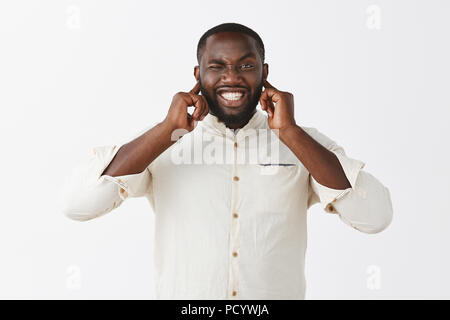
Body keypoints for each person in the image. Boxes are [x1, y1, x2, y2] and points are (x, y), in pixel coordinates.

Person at [61, 22, 393, 299]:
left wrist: (290, 133)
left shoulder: (302, 141)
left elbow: (375, 217)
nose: (231, 77)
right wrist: (165, 132)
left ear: (264, 73)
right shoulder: (162, 142)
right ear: (198, 73)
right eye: (216, 66)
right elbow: (77, 205)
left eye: (246, 66)